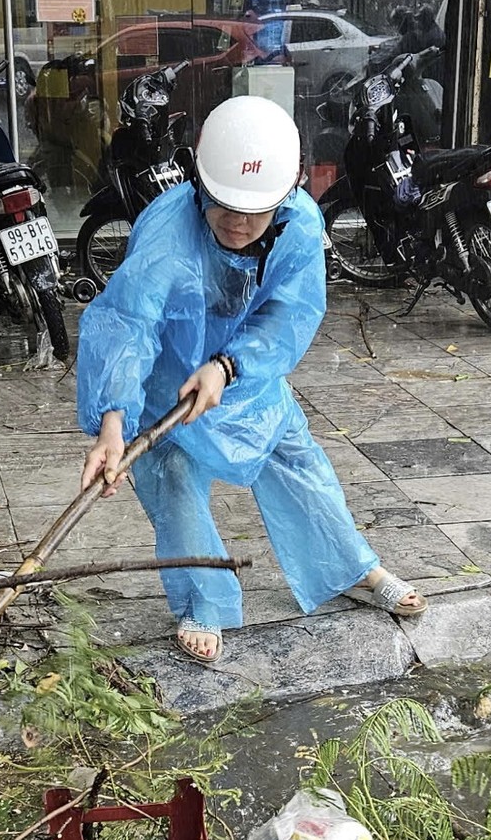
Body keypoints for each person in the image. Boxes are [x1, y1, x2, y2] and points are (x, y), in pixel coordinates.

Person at [76, 96, 425, 666]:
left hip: (246, 379)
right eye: (223, 206)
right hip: (167, 388)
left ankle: (351, 569)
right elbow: (127, 323)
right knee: (175, 485)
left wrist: (228, 366)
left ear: (285, 196)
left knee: (299, 464)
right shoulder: (166, 231)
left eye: (254, 211)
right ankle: (202, 602)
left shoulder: (301, 226)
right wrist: (113, 423)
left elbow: (289, 314)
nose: (237, 223)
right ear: (200, 186)